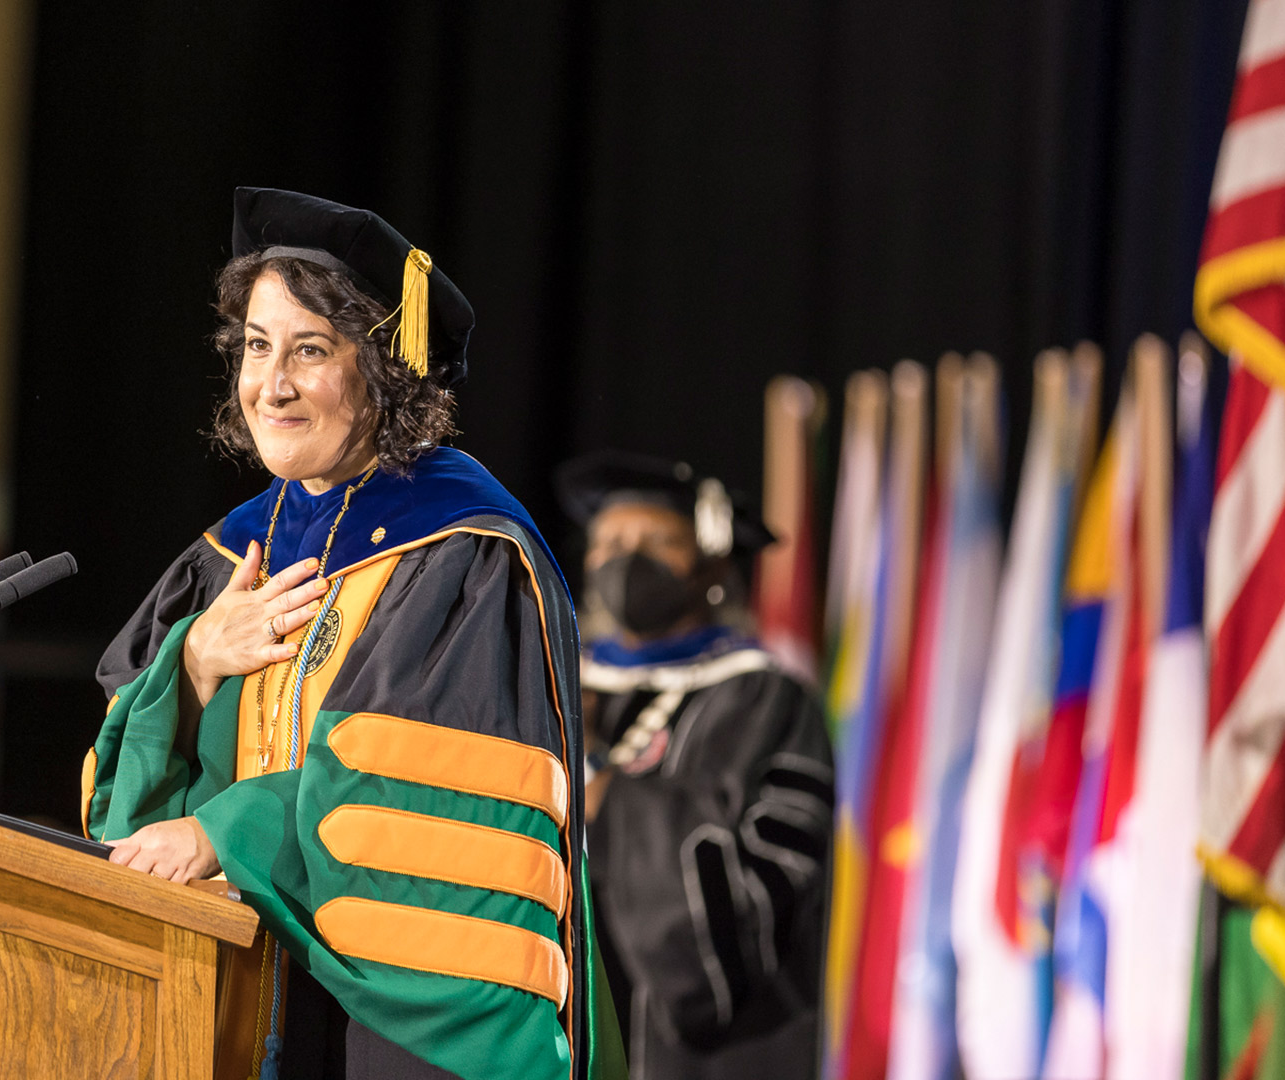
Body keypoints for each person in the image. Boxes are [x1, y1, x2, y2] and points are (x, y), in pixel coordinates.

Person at [81, 188, 619, 1080]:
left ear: (385, 368)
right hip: (234, 988)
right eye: (256, 347)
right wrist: (195, 666)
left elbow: (427, 810)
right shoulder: (226, 557)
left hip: (396, 1029)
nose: (271, 385)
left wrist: (228, 833)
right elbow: (121, 809)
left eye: (310, 351)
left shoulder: (463, 552)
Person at [556, 450, 832, 1080]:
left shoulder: (762, 697)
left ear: (709, 564)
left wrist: (604, 789)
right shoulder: (553, 681)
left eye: (657, 540)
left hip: (713, 1055)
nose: (628, 558)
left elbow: (767, 887)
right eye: (611, 541)